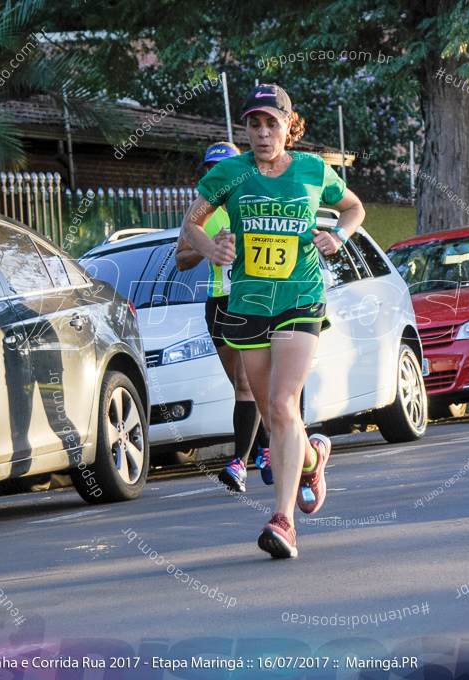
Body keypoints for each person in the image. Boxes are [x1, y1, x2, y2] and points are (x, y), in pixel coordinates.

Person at [180, 84, 365, 558]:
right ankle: (313, 457)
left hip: (300, 297)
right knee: (271, 411)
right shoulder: (229, 174)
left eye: (272, 123)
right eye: (254, 125)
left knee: (283, 404)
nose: (263, 133)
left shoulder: (312, 170)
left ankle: (283, 521)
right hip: (247, 302)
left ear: (289, 125)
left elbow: (353, 207)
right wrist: (211, 247)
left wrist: (338, 236)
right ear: (246, 129)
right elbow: (192, 225)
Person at [175, 142, 270, 494]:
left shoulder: (254, 202)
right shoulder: (201, 212)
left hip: (252, 300)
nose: (218, 176)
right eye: (211, 169)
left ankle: (238, 463)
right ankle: (266, 450)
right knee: (243, 386)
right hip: (219, 303)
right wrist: (208, 249)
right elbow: (180, 259)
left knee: (248, 384)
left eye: (223, 168)